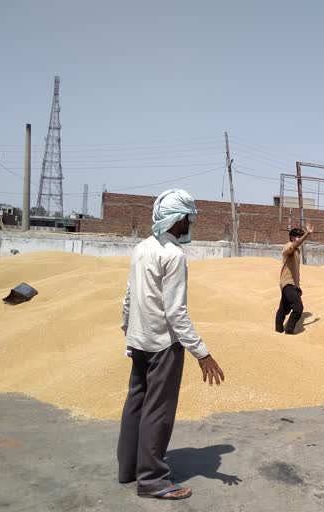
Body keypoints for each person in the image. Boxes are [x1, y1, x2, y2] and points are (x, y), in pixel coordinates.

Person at [118, 189, 225, 501]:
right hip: (163, 344)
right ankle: (152, 480)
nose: (190, 224)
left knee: (136, 403)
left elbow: (128, 297)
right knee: (158, 410)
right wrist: (201, 353)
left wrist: (129, 332)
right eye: (188, 218)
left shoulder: (142, 248)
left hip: (139, 339)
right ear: (178, 219)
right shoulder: (174, 255)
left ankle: (129, 469)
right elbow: (175, 312)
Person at [275, 222, 314, 334]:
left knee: (284, 309)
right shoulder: (289, 247)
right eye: (299, 236)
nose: (301, 239)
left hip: (292, 285)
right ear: (293, 238)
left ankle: (278, 331)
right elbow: (294, 244)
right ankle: (289, 331)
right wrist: (307, 234)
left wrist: (297, 287)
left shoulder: (297, 251)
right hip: (288, 284)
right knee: (298, 308)